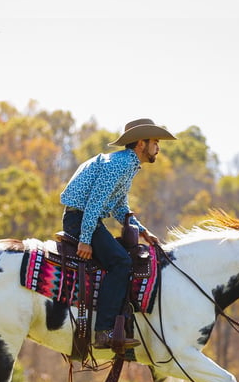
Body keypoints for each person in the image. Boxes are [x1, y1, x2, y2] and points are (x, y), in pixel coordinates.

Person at [60, 118, 177, 349]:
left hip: (85, 217)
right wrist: (85, 239)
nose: (158, 147)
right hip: (81, 219)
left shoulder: (127, 163)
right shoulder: (120, 164)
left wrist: (143, 232)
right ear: (141, 143)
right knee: (121, 262)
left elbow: (120, 206)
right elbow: (95, 202)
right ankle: (103, 331)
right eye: (154, 141)